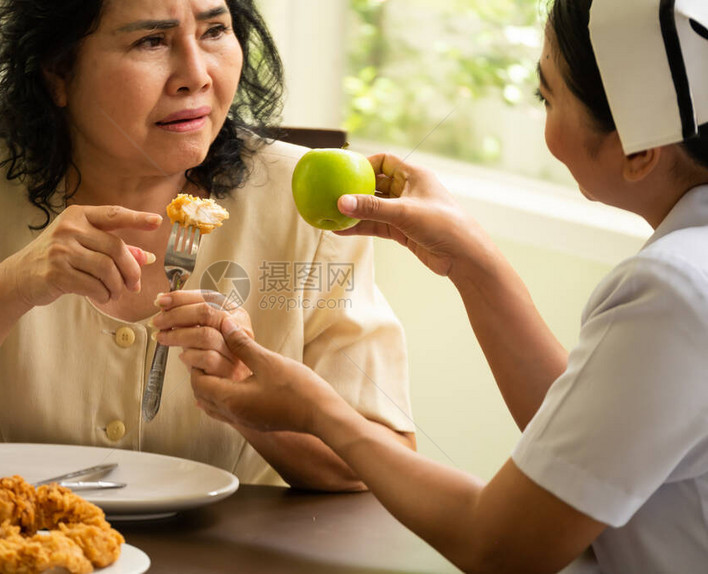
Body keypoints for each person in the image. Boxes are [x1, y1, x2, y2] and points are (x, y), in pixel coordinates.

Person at [168, 0, 708, 571]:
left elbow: (502, 545)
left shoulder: (672, 290)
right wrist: (472, 261)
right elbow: (590, 436)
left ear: (639, 151)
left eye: (546, 97)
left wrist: (321, 413)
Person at [0, 0, 416, 490]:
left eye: (215, 31)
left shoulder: (308, 204)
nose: (196, 75)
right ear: (57, 72)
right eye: (151, 40)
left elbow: (380, 467)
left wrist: (245, 396)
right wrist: (12, 286)